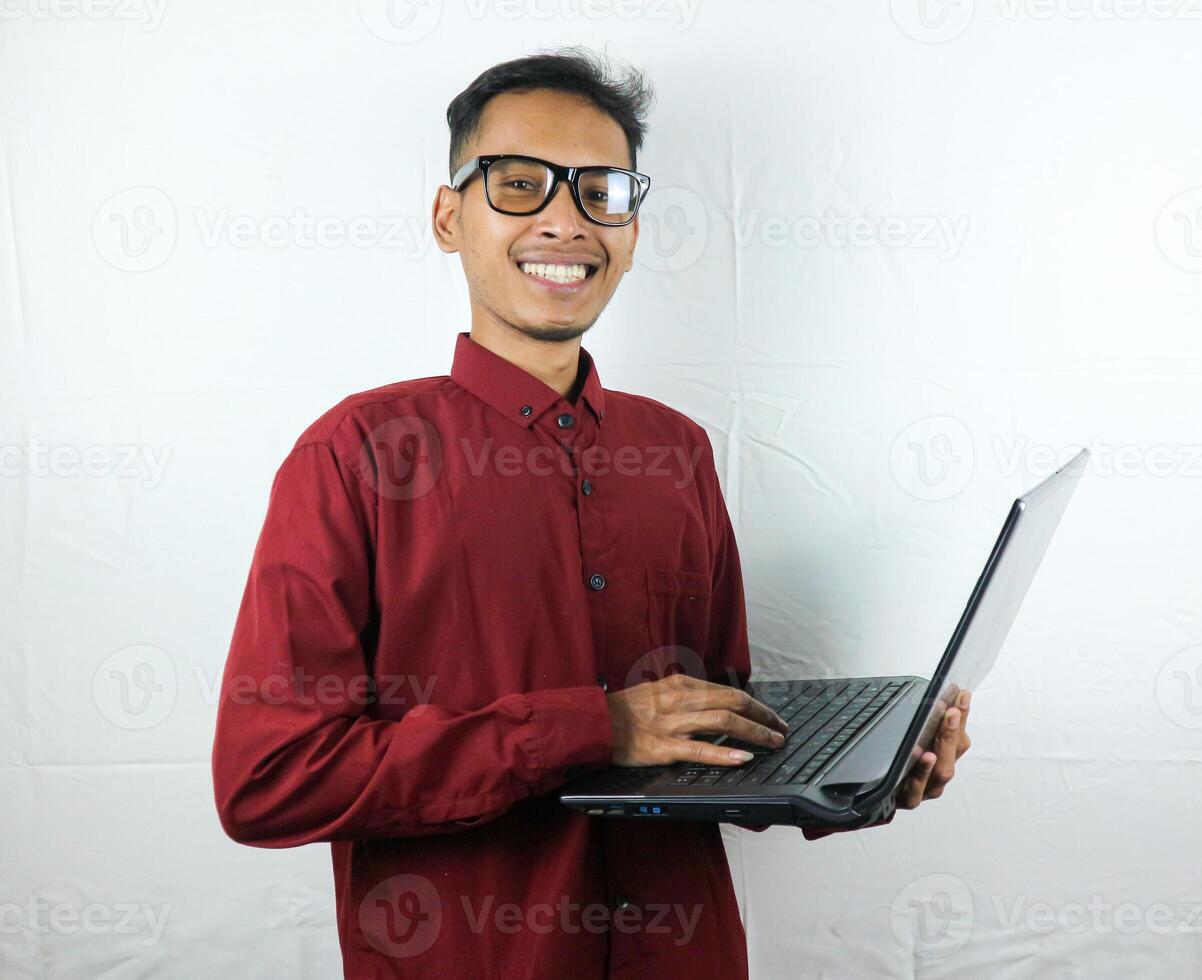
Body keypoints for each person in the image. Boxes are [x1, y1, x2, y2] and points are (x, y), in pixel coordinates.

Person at [210, 45, 971, 980]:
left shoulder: (677, 452)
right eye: (519, 184)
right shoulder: (356, 456)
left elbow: (706, 739)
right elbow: (268, 780)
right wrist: (592, 728)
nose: (566, 220)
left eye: (600, 191)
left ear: (632, 227)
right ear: (449, 216)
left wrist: (869, 773)